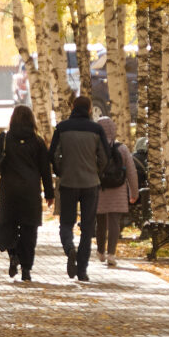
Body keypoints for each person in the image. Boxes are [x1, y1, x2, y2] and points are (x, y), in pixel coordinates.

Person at [48, 94, 110, 282]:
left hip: (68, 183)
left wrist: (61, 171)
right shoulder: (97, 129)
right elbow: (105, 157)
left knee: (66, 223)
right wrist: (96, 171)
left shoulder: (62, 128)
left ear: (73, 107)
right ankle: (82, 270)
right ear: (90, 109)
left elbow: (52, 154)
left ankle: (69, 249)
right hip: (90, 184)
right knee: (88, 227)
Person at [0, 105, 54, 281]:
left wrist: (0, 145)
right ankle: (26, 269)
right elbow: (45, 170)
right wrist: (49, 193)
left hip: (9, 191)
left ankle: (13, 253)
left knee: (6, 225)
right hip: (31, 191)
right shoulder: (38, 142)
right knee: (29, 229)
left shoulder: (5, 138)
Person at [94, 115, 139, 268]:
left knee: (100, 222)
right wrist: (134, 192)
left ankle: (100, 251)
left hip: (99, 188)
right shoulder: (122, 148)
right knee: (114, 222)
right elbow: (131, 172)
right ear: (113, 130)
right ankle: (111, 253)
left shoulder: (94, 147)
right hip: (118, 190)